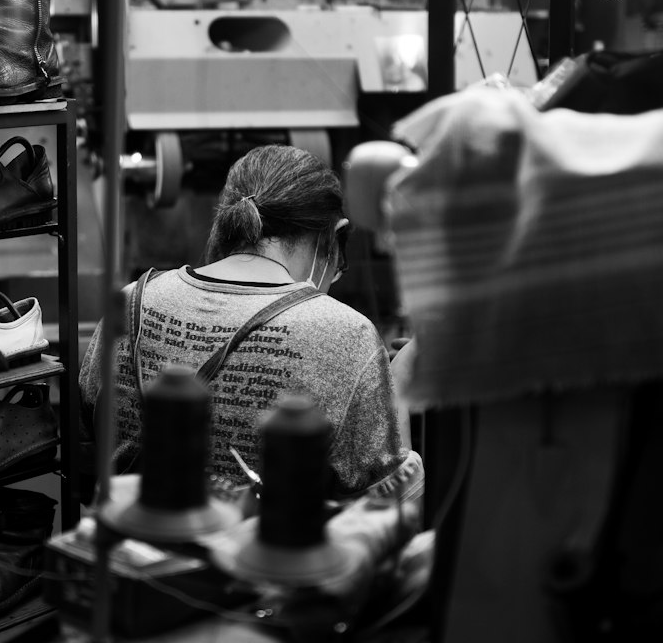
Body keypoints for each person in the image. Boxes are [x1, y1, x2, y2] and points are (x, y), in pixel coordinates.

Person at [78, 143, 423, 507]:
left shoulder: (130, 301)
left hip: (131, 553)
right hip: (261, 563)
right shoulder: (346, 333)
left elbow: (86, 460)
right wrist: (395, 386)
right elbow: (390, 513)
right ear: (335, 234)